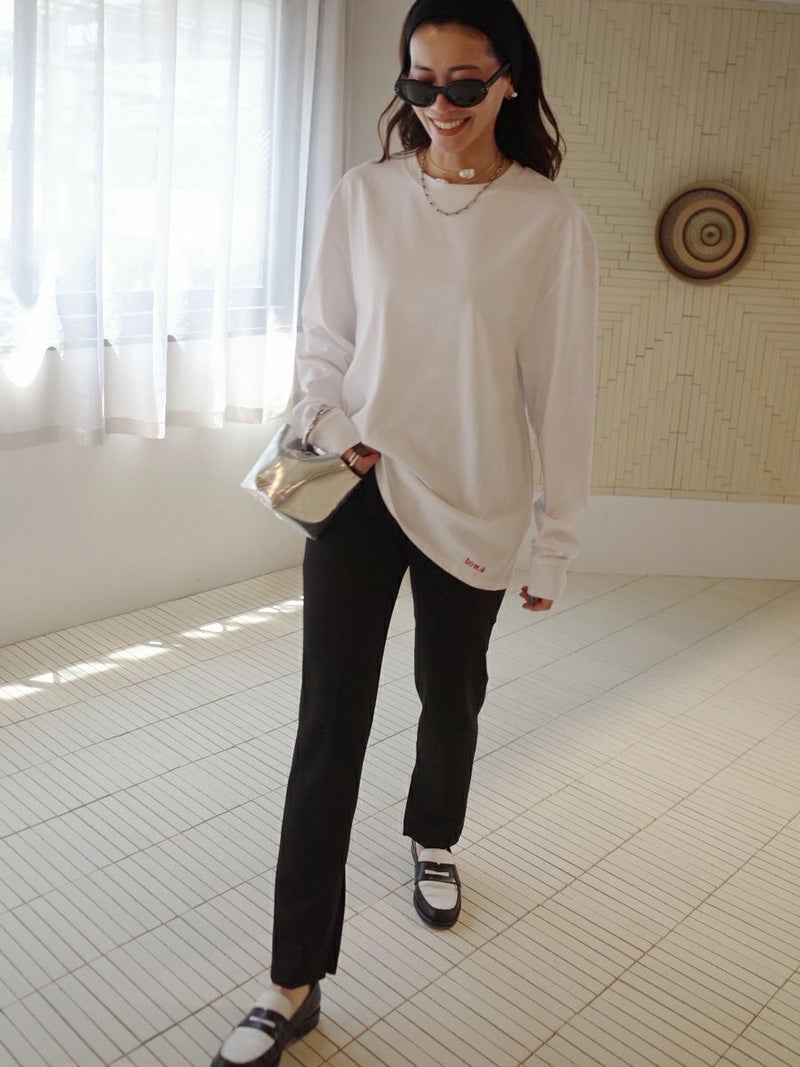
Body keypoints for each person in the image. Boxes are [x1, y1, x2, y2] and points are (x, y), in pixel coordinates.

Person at [212, 0, 597, 1063]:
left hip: (476, 495)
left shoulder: (547, 221)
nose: (440, 104)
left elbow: (562, 390)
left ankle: (432, 832)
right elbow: (323, 344)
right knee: (326, 727)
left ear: (509, 80)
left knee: (451, 687)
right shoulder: (364, 195)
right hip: (361, 487)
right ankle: (291, 979)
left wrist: (555, 536)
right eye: (418, 83)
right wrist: (336, 426)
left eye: (463, 84)